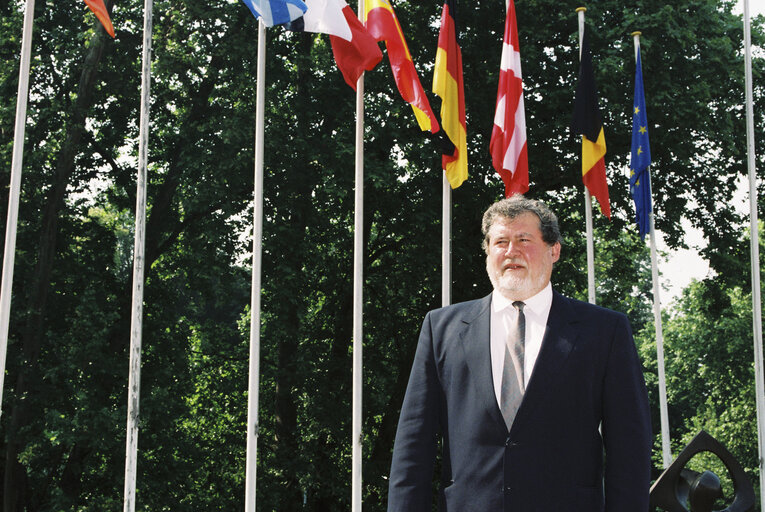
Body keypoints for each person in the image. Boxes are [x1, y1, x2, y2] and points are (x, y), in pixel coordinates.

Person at [386, 195, 652, 512]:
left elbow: (629, 448)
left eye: (524, 240)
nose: (511, 251)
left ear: (554, 250)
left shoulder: (604, 331)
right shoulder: (442, 328)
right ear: (487, 252)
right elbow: (413, 446)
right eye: (500, 242)